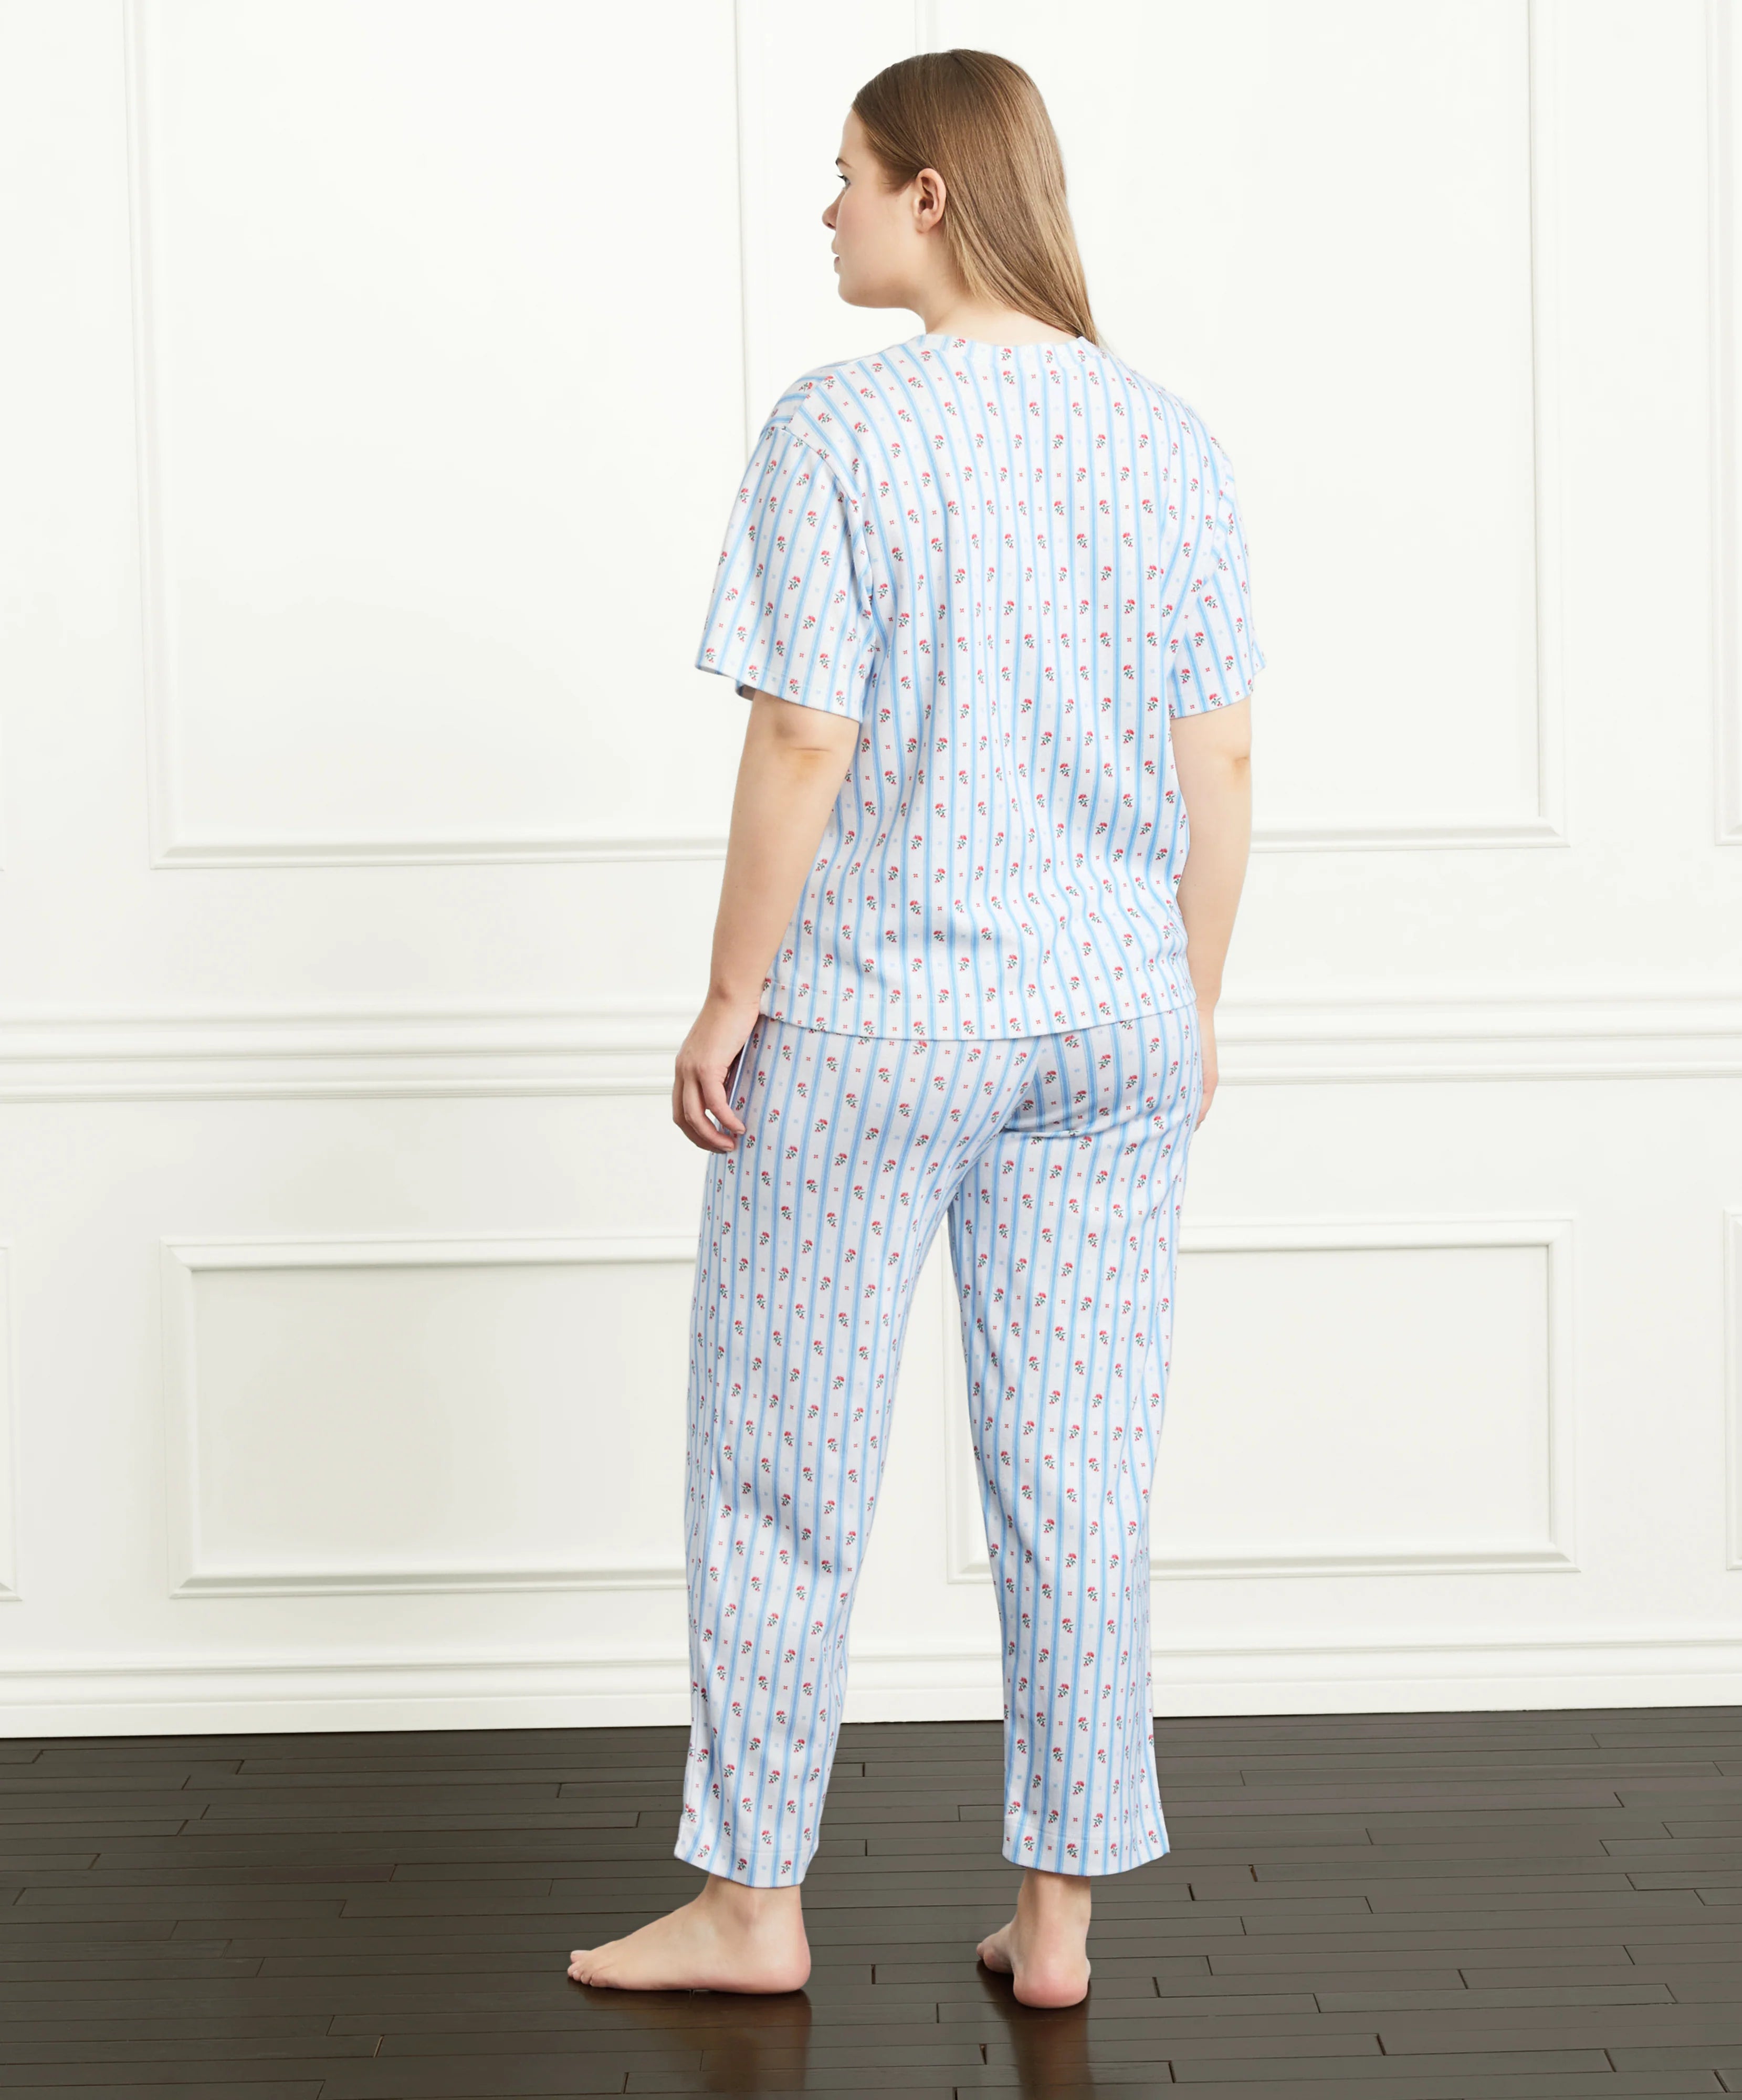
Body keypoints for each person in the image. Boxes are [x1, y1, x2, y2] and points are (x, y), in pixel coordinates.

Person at [570, 47, 1261, 2010]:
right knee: (1076, 1476)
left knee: (779, 1468)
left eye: (849, 175)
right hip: (1110, 1025)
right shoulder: (1166, 439)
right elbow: (1220, 762)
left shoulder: (842, 431)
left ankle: (752, 1908)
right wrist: (1190, 1002)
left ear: (933, 193)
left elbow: (805, 734)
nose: (828, 208)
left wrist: (730, 998)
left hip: (880, 1026)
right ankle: (1057, 1929)